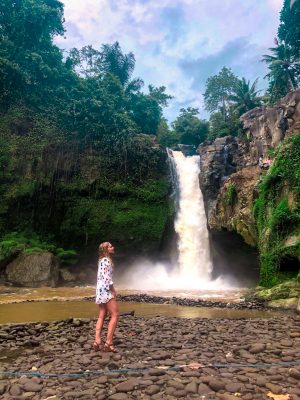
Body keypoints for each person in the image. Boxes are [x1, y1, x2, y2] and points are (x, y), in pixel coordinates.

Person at [94, 242, 119, 352]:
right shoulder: (106, 260)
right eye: (110, 246)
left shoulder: (101, 260)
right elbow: (107, 278)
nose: (112, 247)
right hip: (106, 290)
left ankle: (97, 340)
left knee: (101, 316)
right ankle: (109, 342)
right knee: (115, 314)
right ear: (105, 249)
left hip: (100, 290)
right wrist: (113, 290)